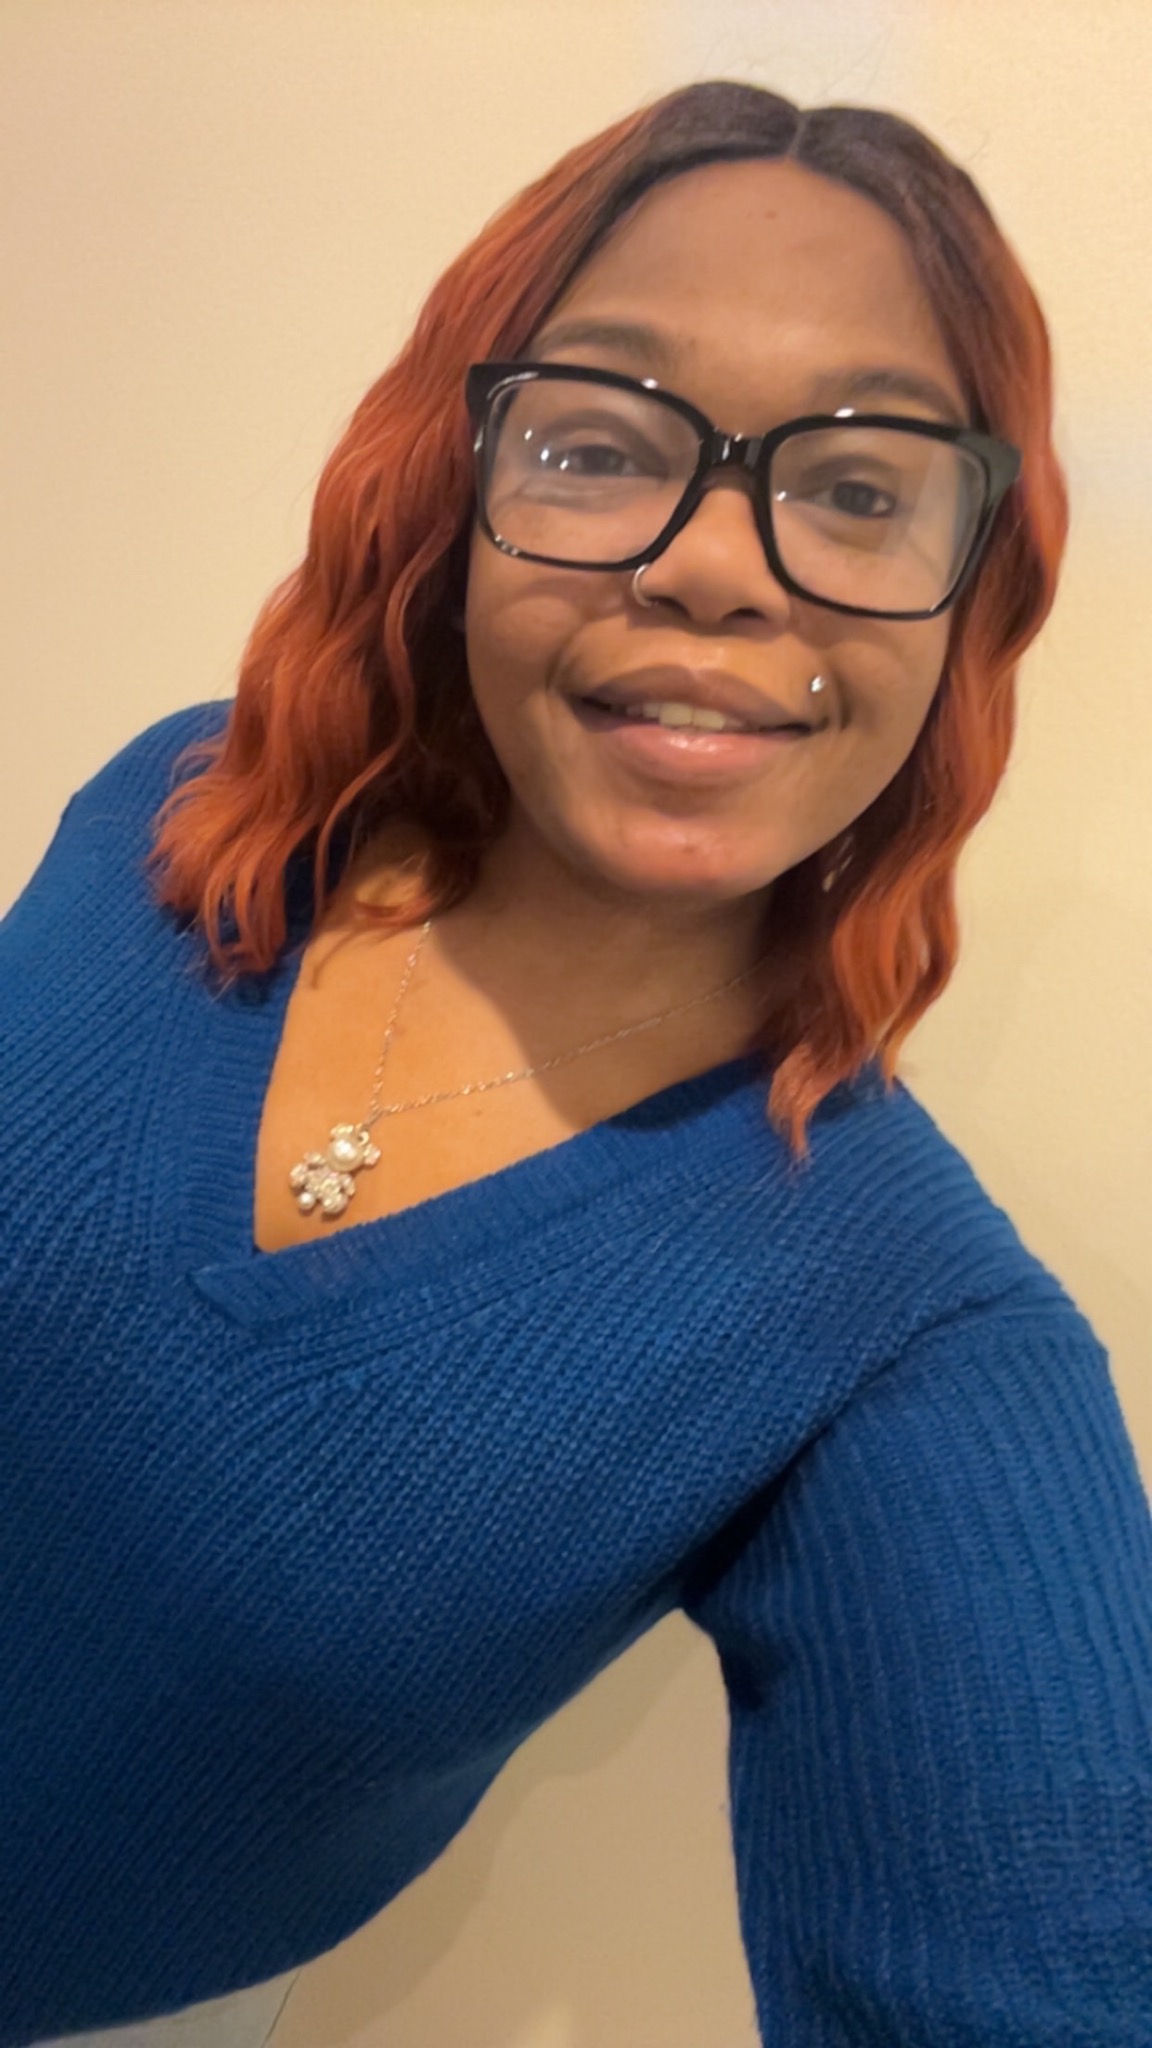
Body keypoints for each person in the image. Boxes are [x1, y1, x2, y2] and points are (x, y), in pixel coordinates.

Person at [2, 77, 1149, 2048]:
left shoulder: (908, 1340)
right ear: (460, 492)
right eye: (605, 444)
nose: (718, 565)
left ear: (976, 592)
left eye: (858, 486)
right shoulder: (181, 810)